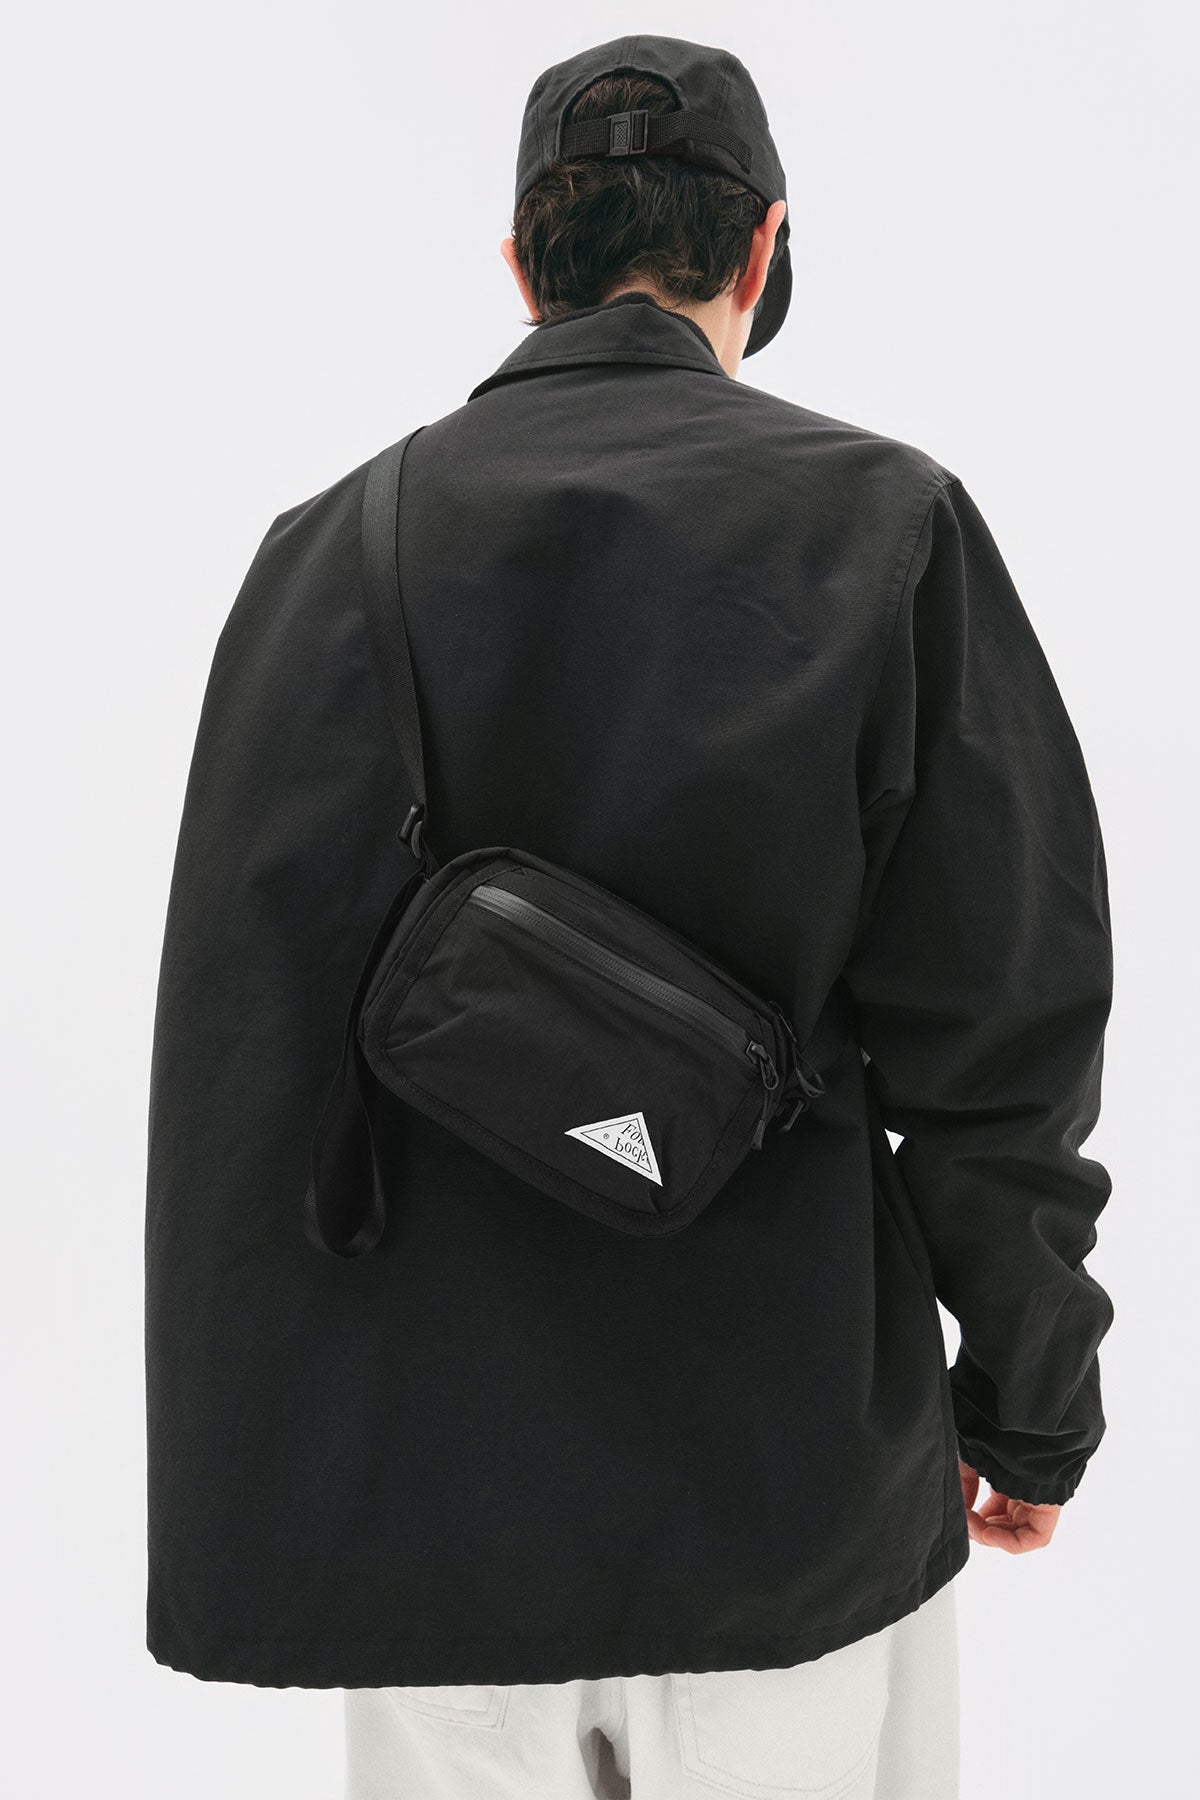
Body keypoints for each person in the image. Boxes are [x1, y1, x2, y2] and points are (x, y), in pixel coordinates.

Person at [143, 34, 1115, 1800]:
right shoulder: (884, 525)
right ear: (765, 247)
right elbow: (1002, 1031)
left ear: (524, 267)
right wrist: (1033, 1394)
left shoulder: (315, 552)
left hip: (424, 1528)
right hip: (785, 1500)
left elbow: (237, 1063)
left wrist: (253, 1510)